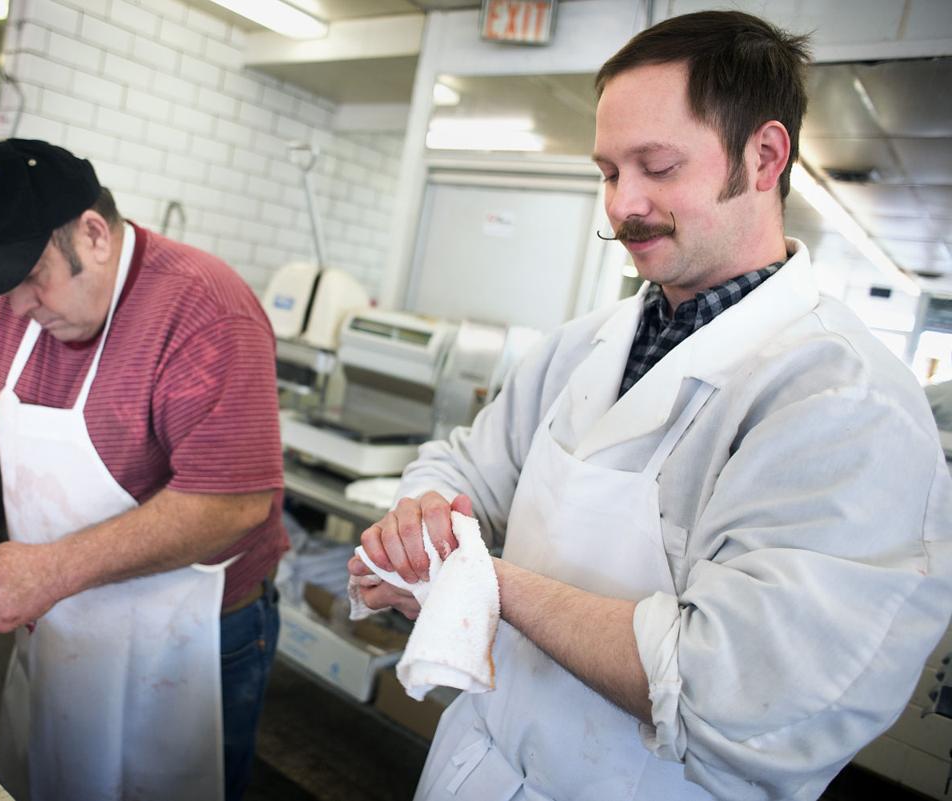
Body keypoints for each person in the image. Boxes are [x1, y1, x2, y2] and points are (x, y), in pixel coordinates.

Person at [350, 11, 952, 801]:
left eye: (657, 166)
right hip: (477, 767)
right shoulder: (581, 345)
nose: (622, 204)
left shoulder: (847, 403)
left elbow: (732, 689)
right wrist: (420, 521)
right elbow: (466, 465)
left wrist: (479, 577)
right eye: (607, 171)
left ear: (765, 155)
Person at [0, 138, 288, 801]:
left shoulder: (204, 308)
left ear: (95, 235)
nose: (17, 307)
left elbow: (233, 502)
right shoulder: (23, 309)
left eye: (30, 276)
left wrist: (51, 568)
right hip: (60, 618)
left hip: (186, 642)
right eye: (4, 284)